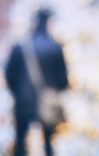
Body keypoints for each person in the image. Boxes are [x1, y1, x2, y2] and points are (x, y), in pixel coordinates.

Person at [5, 9, 68, 156]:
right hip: (47, 102)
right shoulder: (54, 48)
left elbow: (9, 75)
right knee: (48, 144)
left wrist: (18, 93)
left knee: (20, 143)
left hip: (23, 102)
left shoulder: (19, 47)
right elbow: (62, 79)